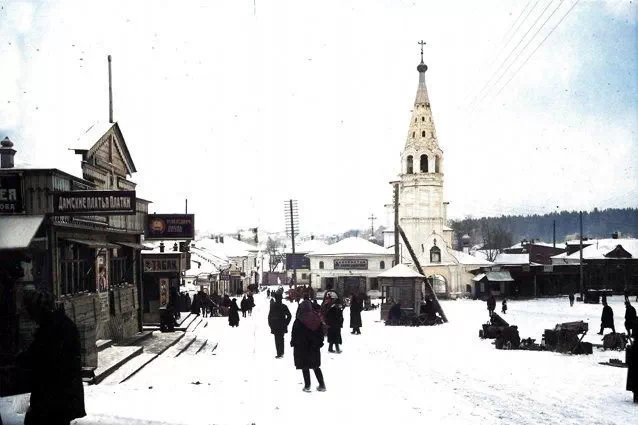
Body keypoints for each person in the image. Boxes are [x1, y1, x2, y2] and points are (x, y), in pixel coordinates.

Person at [17, 290, 86, 425]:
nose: (32, 318)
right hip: (60, 396)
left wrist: (22, 359)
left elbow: (43, 358)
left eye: (32, 312)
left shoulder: (52, 329)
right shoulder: (59, 324)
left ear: (40, 310)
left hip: (54, 397)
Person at [290, 300, 326, 392]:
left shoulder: (299, 319)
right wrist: (320, 342)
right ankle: (322, 384)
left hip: (302, 347)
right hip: (314, 347)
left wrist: (293, 342)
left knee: (304, 366)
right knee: (316, 366)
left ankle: (307, 385)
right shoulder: (316, 318)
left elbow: (294, 333)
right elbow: (321, 332)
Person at [268, 291, 292, 358]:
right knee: (281, 338)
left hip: (275, 325)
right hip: (282, 325)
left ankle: (279, 353)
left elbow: (269, 317)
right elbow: (289, 316)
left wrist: (271, 325)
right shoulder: (284, 306)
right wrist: (286, 323)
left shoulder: (273, 306)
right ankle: (281, 352)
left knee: (277, 339)